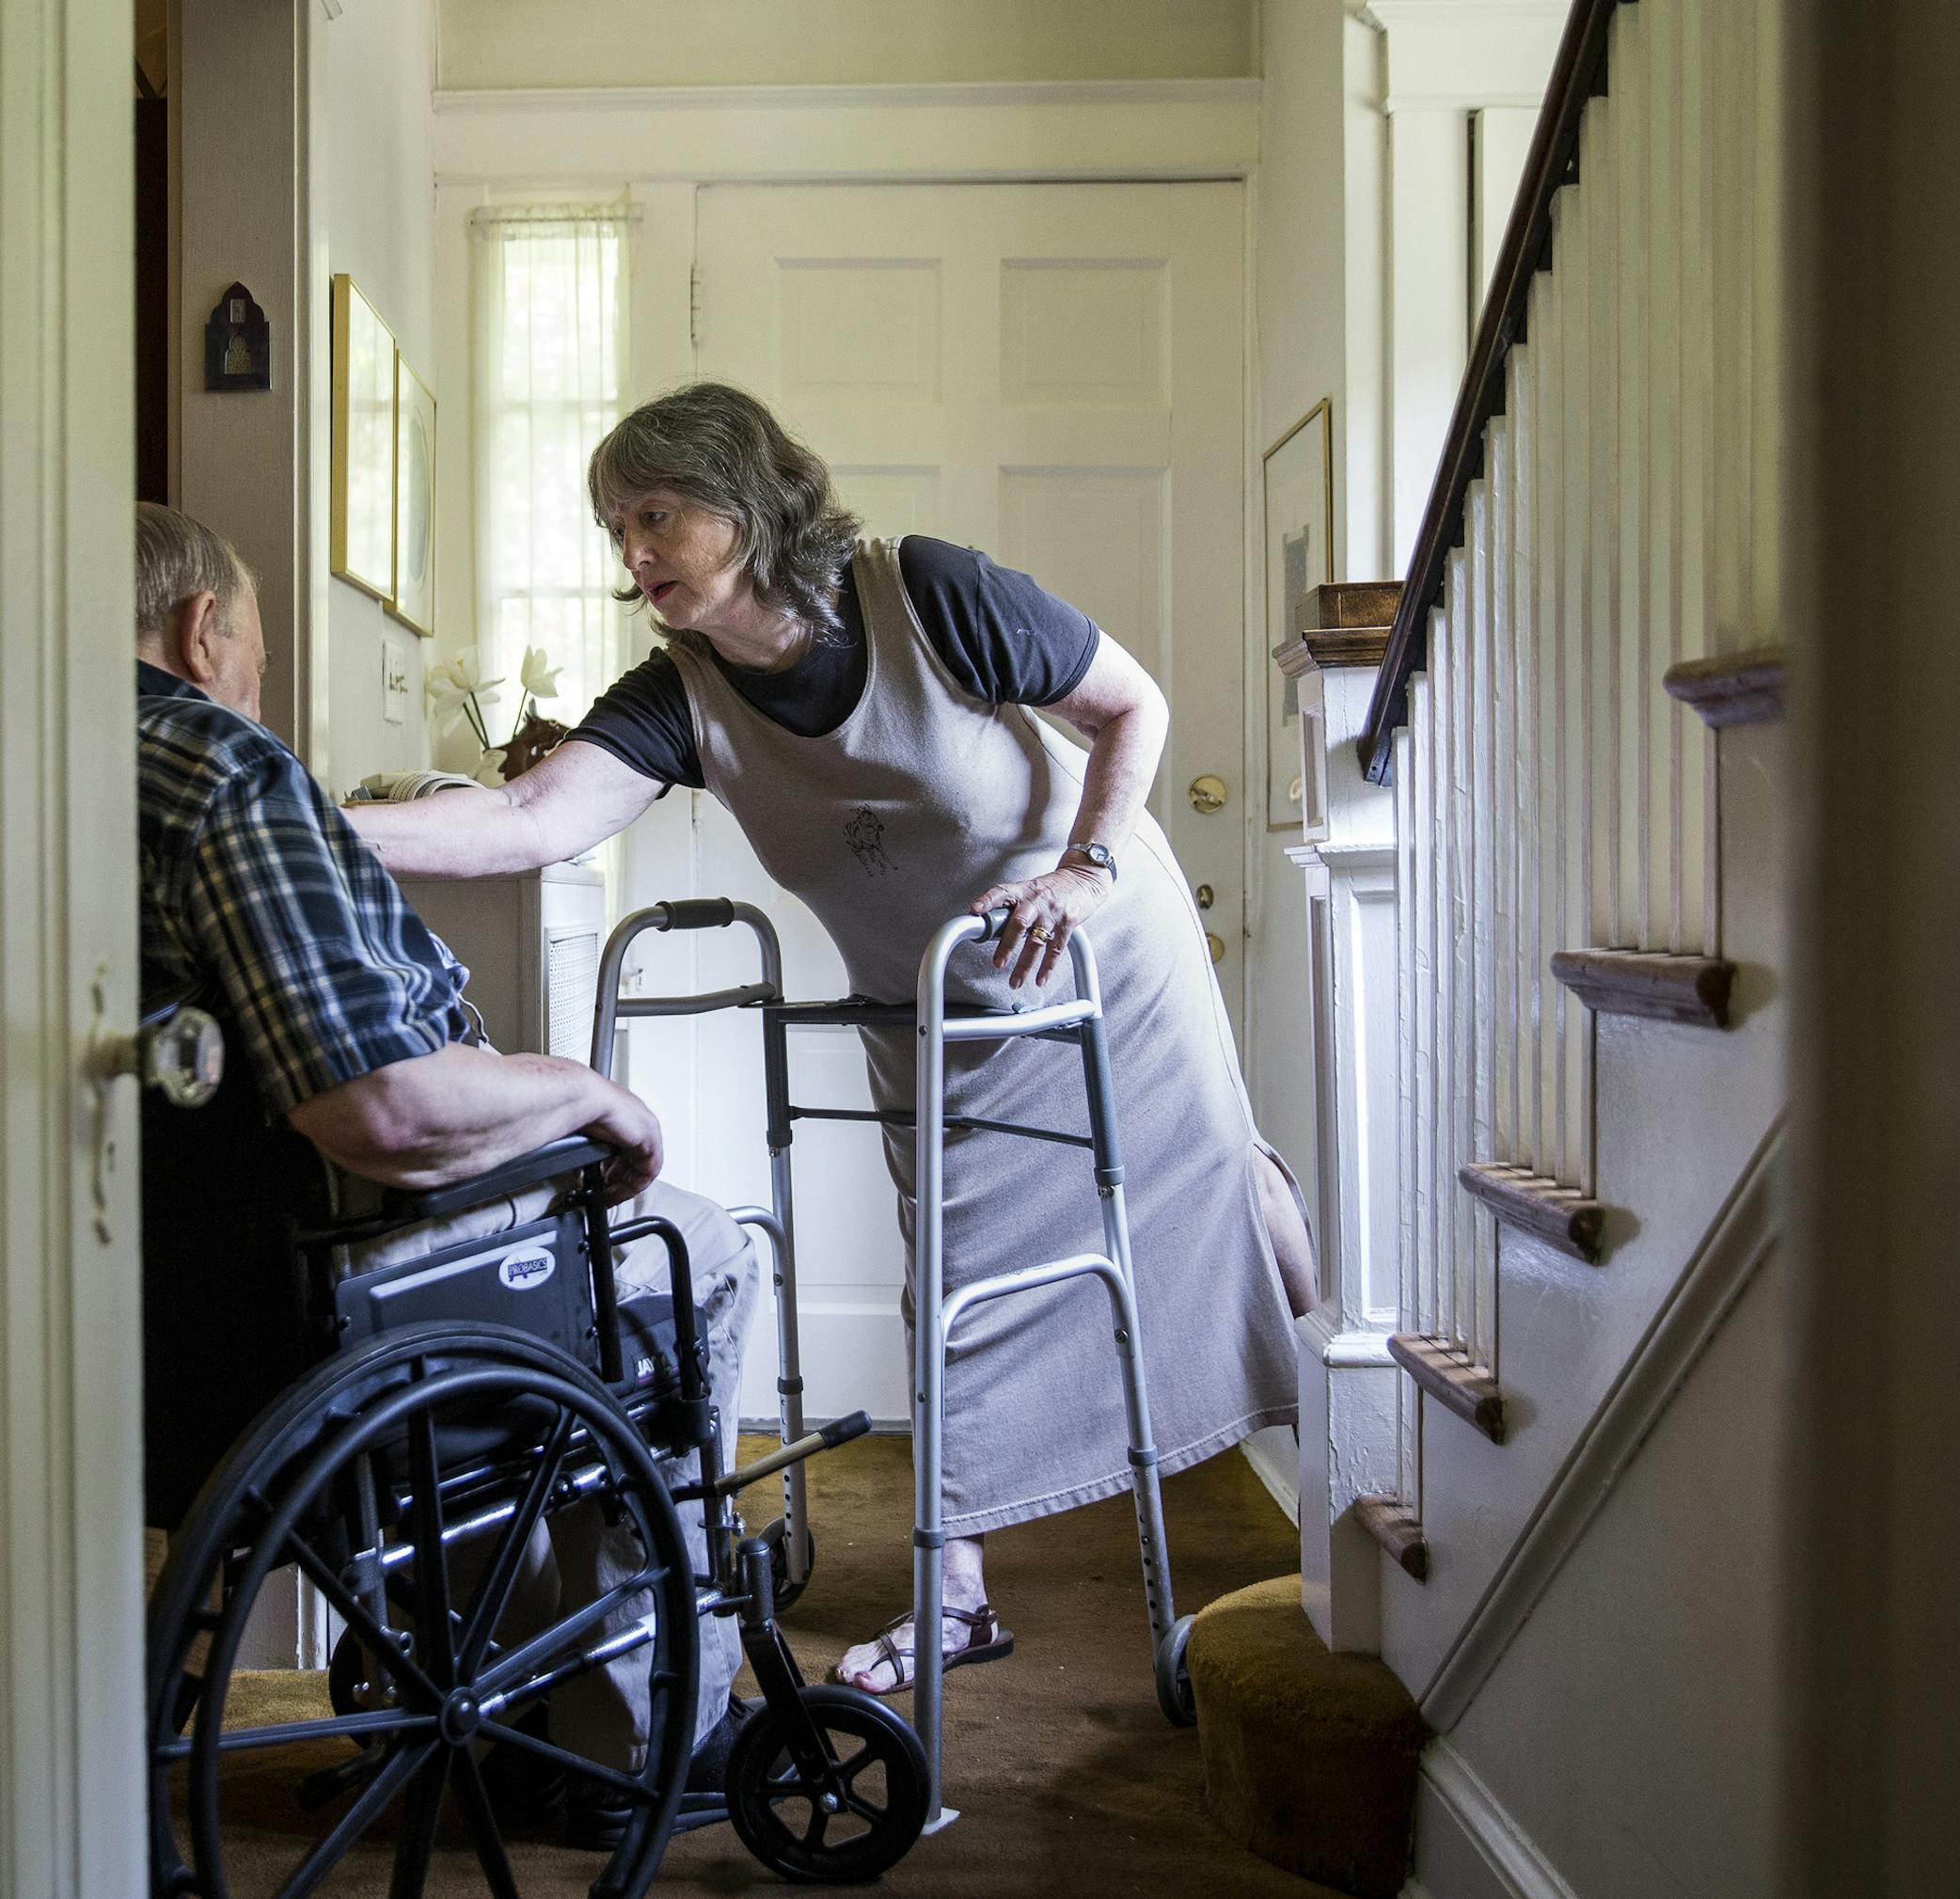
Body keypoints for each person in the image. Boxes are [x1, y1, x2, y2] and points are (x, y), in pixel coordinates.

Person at [345, 383, 1314, 1696]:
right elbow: (528, 821)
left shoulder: (925, 592)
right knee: (952, 1274)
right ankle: (958, 1595)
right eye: (615, 525)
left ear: (743, 502)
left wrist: (1080, 873)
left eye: (655, 515)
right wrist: (309, 825)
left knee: (1218, 1183)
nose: (630, 551)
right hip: (929, 1001)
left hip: (1100, 953)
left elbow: (1128, 704)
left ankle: (1348, 1480)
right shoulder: (679, 690)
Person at [133, 502, 751, 1835]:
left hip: (129, 1307)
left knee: (492, 1299)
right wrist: (584, 1092)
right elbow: (390, 1116)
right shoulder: (217, 769)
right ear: (202, 632)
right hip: (283, 1306)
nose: (258, 687)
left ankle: (516, 1693)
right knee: (683, 1250)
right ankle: (637, 1731)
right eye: (258, 653)